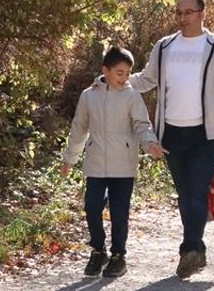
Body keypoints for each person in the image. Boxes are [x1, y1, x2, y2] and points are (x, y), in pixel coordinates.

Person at [131, 0, 214, 279]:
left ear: (202, 13)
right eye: (179, 13)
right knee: (185, 193)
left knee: (197, 188)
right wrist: (113, 80)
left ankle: (190, 249)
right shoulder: (165, 47)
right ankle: (196, 250)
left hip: (206, 134)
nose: (182, 18)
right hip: (171, 132)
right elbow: (146, 79)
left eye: (188, 12)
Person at [61, 46, 166, 278]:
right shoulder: (89, 96)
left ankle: (119, 256)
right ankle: (98, 250)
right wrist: (70, 158)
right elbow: (79, 129)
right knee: (91, 207)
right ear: (105, 70)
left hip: (123, 165)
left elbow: (142, 124)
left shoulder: (132, 96)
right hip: (96, 162)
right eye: (120, 73)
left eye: (128, 73)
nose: (125, 78)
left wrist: (150, 144)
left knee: (120, 211)